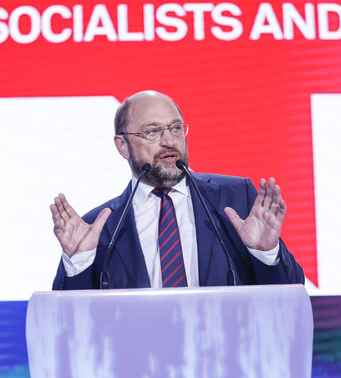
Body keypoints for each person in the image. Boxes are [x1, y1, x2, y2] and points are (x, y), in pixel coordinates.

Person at [51, 90, 304, 290]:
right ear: (123, 146)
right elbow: (69, 324)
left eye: (175, 128)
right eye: (152, 132)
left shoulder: (236, 197)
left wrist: (266, 253)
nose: (170, 141)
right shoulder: (99, 227)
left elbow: (291, 295)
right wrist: (79, 263)